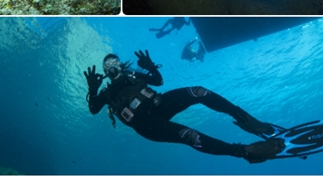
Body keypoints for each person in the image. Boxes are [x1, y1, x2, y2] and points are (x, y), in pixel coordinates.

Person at [84, 51, 285, 163]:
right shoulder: (106, 94)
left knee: (198, 91)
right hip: (145, 124)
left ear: (120, 64)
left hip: (160, 104)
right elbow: (94, 109)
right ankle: (245, 151)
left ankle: (249, 122)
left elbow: (158, 81)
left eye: (114, 61)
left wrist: (150, 66)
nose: (111, 66)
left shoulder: (133, 76)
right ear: (104, 70)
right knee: (190, 136)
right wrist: (92, 91)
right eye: (107, 64)